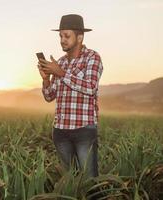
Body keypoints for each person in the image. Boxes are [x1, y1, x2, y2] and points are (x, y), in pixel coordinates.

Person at [37, 14, 103, 178]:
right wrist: (46, 79)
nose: (62, 40)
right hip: (60, 131)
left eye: (67, 36)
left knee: (89, 180)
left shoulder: (92, 58)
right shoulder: (60, 62)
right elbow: (49, 96)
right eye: (60, 36)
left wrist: (60, 73)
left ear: (79, 37)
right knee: (69, 180)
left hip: (84, 130)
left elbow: (91, 87)